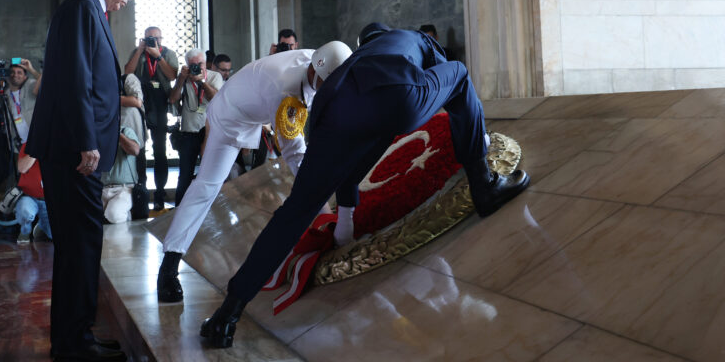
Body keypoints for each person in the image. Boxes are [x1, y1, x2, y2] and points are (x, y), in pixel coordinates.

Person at [199, 24, 530, 347]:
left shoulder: (353, 64)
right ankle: (484, 187)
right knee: (459, 74)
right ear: (385, 35)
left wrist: (346, 217)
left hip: (331, 113)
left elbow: (365, 148)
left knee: (295, 212)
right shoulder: (411, 38)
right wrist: (476, 136)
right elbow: (450, 89)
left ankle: (227, 314)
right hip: (399, 94)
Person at [155, 41, 352, 304]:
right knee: (207, 186)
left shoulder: (319, 61)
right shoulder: (284, 90)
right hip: (230, 115)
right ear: (315, 70)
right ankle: (168, 267)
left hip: (253, 109)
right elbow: (295, 154)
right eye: (327, 84)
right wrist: (325, 212)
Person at [26, 0, 139, 362]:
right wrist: (87, 140)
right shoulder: (80, 9)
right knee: (80, 244)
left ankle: (76, 336)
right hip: (75, 151)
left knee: (82, 242)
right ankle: (75, 344)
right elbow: (75, 80)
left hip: (79, 148)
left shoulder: (91, 12)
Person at [124, 26, 178, 210]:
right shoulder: (138, 52)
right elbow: (128, 72)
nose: (153, 41)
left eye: (156, 38)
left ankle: (160, 193)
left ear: (161, 39)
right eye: (149, 38)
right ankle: (142, 190)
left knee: (160, 149)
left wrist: (158, 56)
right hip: (141, 102)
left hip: (160, 103)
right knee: (139, 147)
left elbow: (172, 75)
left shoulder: (168, 54)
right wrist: (140, 50)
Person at [168, 49, 223, 205]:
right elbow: (172, 99)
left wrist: (202, 82)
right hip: (189, 132)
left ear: (206, 63)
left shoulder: (214, 76)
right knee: (185, 175)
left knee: (209, 173)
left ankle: (210, 207)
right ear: (187, 65)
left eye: (200, 64)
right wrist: (181, 79)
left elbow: (216, 98)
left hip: (210, 132)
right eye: (193, 64)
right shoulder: (184, 78)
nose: (197, 67)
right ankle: (180, 208)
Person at [100, 74, 145, 224]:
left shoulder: (126, 131)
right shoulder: (97, 134)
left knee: (114, 214)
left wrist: (117, 134)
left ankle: (127, 220)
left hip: (124, 188)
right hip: (102, 188)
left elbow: (135, 150)